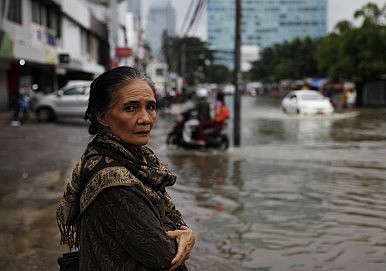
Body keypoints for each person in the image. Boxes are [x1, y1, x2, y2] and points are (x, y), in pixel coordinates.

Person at [56, 66, 195, 271]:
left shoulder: (110, 155)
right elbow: (165, 256)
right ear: (103, 117)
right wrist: (187, 234)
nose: (145, 119)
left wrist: (182, 232)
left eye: (150, 107)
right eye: (130, 108)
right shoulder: (116, 183)